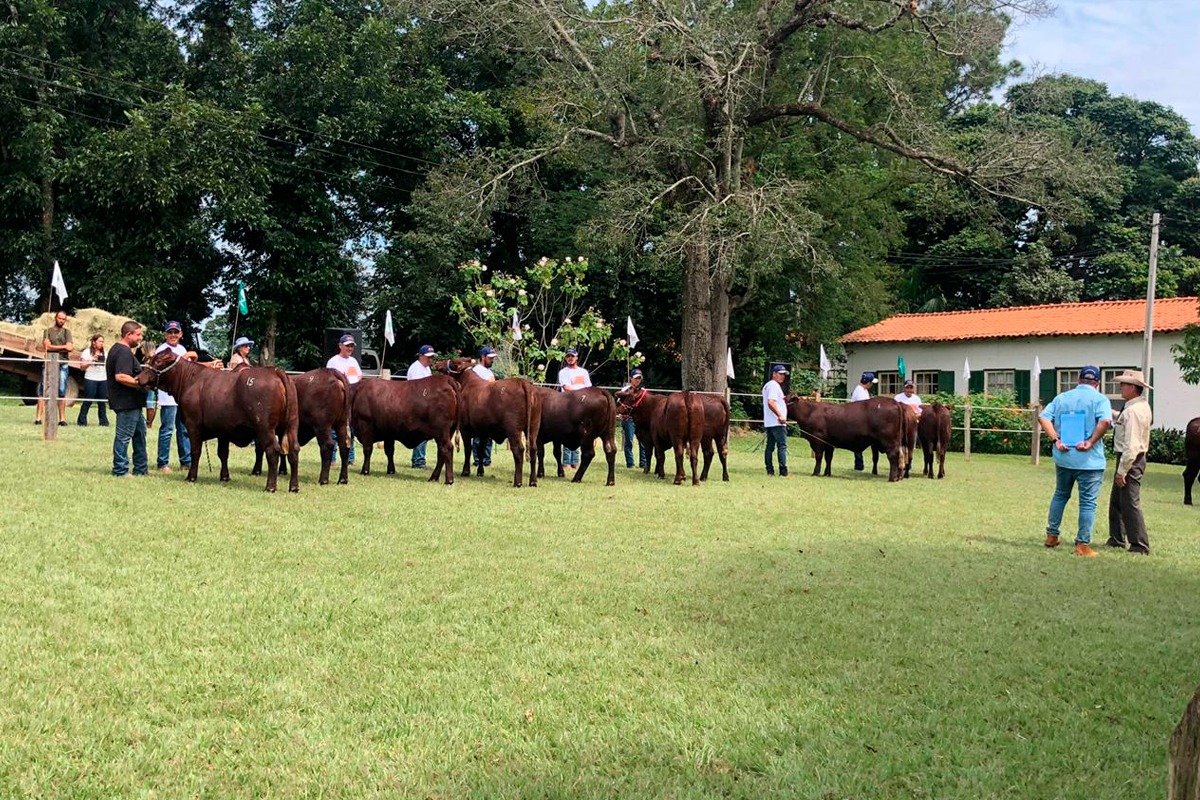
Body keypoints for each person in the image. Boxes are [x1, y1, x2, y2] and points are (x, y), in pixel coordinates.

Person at [1037, 365, 1114, 557]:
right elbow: (1105, 421)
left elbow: (1043, 417)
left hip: (1064, 457)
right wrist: (1090, 442)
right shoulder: (1100, 399)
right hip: (1090, 460)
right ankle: (1082, 544)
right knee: (1088, 502)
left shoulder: (1062, 397)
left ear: (1078, 380)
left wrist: (1056, 439)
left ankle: (1052, 534)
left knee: (1060, 494)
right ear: (1097, 383)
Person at [1106, 370, 1153, 555]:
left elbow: (1132, 444)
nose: (1121, 387)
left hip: (1130, 459)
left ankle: (1139, 545)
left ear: (1133, 387)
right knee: (1118, 501)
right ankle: (1117, 538)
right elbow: (1125, 420)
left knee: (1130, 502)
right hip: (1132, 458)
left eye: (1124, 384)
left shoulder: (1133, 411)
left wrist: (1122, 470)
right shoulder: (1139, 406)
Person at [107, 321, 148, 477]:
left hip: (133, 402)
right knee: (124, 436)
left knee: (139, 434)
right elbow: (121, 376)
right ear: (128, 334)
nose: (140, 338)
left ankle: (141, 469)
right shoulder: (123, 352)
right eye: (138, 334)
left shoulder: (122, 350)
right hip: (126, 402)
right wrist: (140, 383)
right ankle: (120, 469)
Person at [153, 321, 195, 473]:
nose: (173, 335)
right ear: (165, 334)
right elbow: (172, 368)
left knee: (183, 430)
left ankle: (186, 461)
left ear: (180, 334)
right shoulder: (162, 350)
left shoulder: (181, 348)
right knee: (167, 430)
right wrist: (188, 355)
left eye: (175, 332)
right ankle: (162, 463)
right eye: (170, 332)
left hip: (182, 397)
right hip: (168, 398)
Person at [326, 334, 363, 464]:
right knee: (335, 431)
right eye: (347, 346)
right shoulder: (333, 361)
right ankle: (332, 458)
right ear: (340, 346)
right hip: (338, 400)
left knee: (350, 429)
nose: (350, 348)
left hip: (352, 399)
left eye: (352, 346)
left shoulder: (353, 361)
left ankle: (350, 458)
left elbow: (359, 377)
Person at [36, 310, 74, 426]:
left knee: (62, 390)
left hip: (63, 363)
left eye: (63, 319)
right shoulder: (47, 331)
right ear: (55, 318)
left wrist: (53, 346)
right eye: (60, 318)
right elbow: (46, 347)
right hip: (48, 363)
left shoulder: (67, 332)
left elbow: (70, 348)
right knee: (43, 390)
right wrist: (62, 347)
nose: (61, 320)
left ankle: (62, 419)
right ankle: (38, 418)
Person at [557, 347, 591, 470]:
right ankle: (566, 462)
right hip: (568, 404)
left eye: (572, 356)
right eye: (568, 356)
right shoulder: (563, 372)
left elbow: (589, 388)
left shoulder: (583, 372)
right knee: (568, 431)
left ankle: (575, 461)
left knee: (580, 432)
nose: (570, 358)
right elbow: (566, 387)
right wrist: (580, 393)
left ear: (576, 357)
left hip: (582, 406)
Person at [404, 344, 438, 468]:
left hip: (425, 404)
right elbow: (418, 390)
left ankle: (419, 459)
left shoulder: (426, 369)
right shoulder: (416, 369)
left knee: (424, 433)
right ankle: (418, 460)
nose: (431, 360)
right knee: (420, 432)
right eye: (429, 357)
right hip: (416, 405)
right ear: (421, 356)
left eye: (432, 357)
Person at [471, 346, 497, 469]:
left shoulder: (489, 372)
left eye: (493, 358)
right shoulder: (477, 370)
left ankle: (486, 460)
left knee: (488, 436)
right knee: (478, 436)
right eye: (490, 358)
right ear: (483, 357)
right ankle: (478, 460)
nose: (492, 360)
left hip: (489, 408)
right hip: (479, 407)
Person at [618, 368, 649, 469]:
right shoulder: (624, 390)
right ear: (630, 378)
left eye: (639, 378)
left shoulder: (644, 392)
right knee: (629, 441)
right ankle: (630, 463)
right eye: (635, 378)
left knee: (643, 442)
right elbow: (619, 404)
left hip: (641, 420)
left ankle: (643, 463)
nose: (637, 380)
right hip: (629, 419)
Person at [762, 363, 789, 477]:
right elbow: (771, 402)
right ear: (774, 374)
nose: (782, 376)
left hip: (769, 422)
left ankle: (770, 470)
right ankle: (783, 471)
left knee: (770, 446)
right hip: (777, 422)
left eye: (784, 374)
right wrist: (780, 416)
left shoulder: (768, 385)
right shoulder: (774, 385)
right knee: (782, 446)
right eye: (780, 374)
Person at [76, 334, 109, 427]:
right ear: (94, 342)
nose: (101, 343)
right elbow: (82, 366)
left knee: (102, 402)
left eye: (102, 341)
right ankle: (82, 420)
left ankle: (103, 422)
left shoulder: (105, 353)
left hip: (103, 378)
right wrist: (92, 360)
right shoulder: (86, 352)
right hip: (90, 378)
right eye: (99, 341)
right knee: (88, 400)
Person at [851, 371, 877, 470]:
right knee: (858, 441)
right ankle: (859, 464)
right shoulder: (860, 391)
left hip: (862, 419)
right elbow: (863, 407)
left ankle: (859, 463)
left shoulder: (863, 390)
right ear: (869, 383)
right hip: (859, 419)